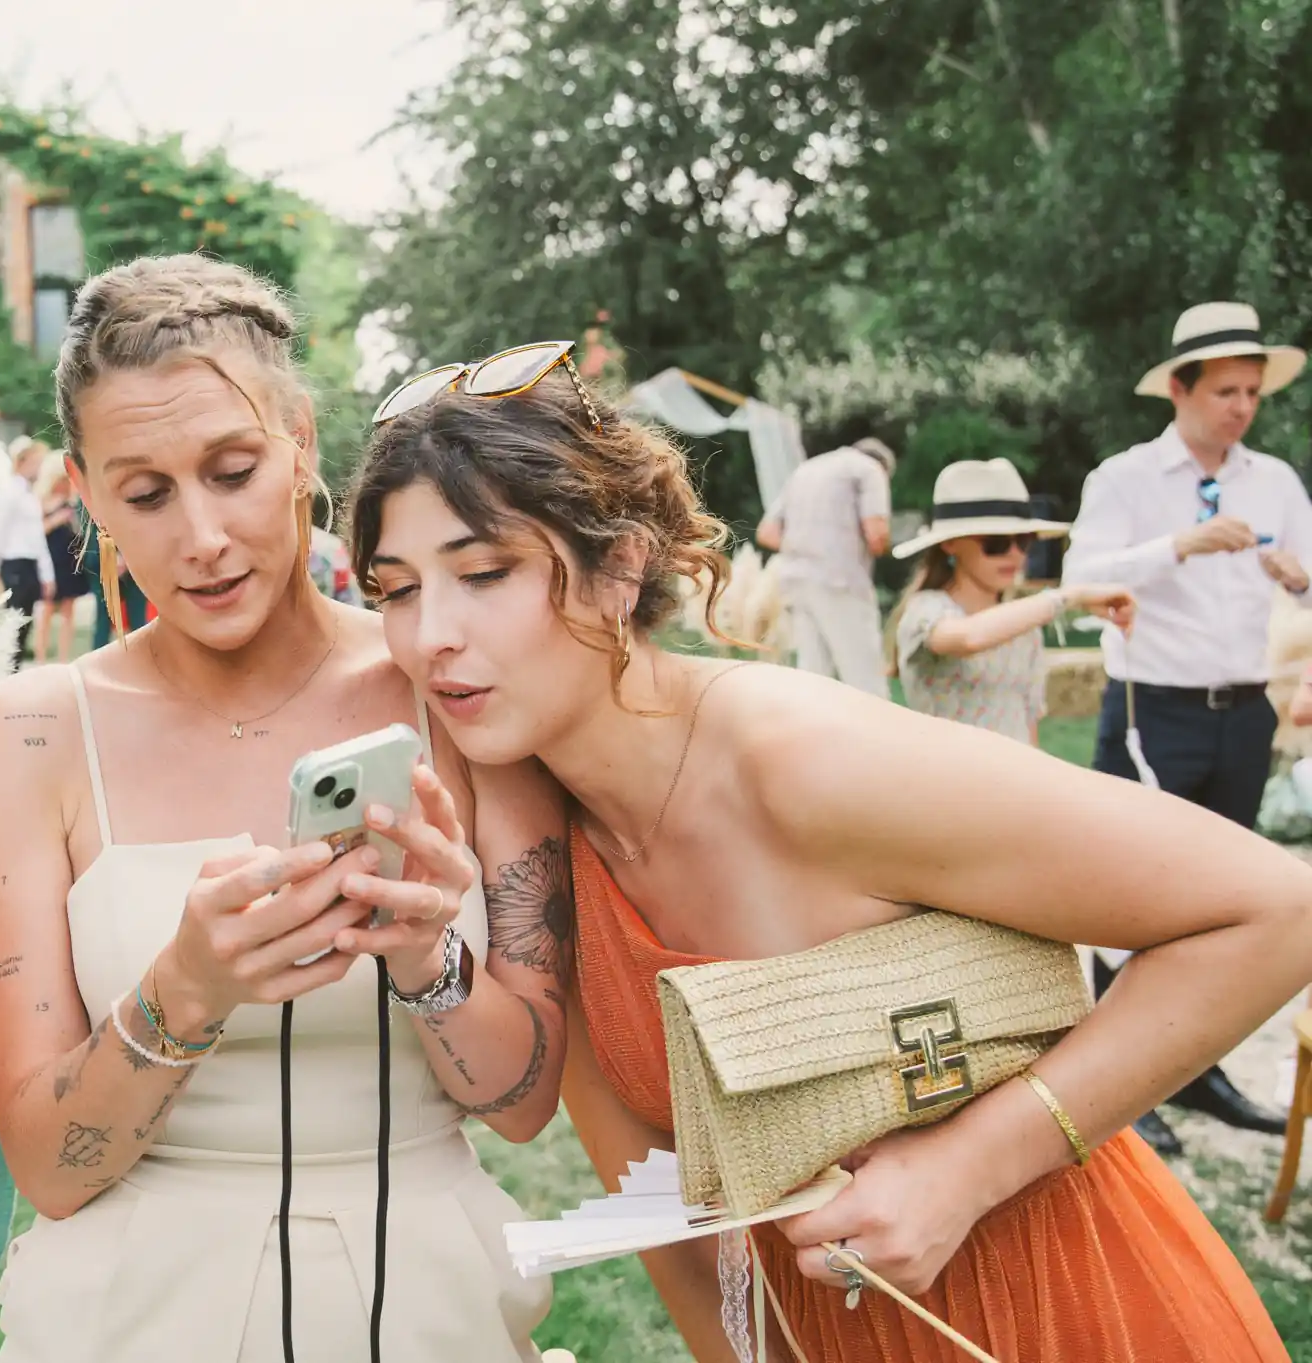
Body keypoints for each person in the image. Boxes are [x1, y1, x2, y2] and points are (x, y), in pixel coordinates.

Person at [348, 341, 1306, 1362]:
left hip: (1072, 1310)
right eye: (396, 590)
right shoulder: (550, 848)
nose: (429, 635)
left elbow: (1274, 909)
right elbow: (676, 1226)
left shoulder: (797, 759)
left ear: (620, 566)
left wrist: (967, 1167)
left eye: (483, 572)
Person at [0, 256, 567, 1363]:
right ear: (86, 493)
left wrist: (427, 958)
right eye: (145, 494)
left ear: (300, 446)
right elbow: (47, 1166)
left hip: (422, 1301)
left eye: (232, 470)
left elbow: (523, 1103)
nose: (201, 536)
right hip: (131, 1314)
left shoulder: (451, 683)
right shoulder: (26, 735)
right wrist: (183, 991)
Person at [1062, 300, 1310, 1154]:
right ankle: (1119, 1083)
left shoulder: (1275, 481)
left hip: (1244, 711)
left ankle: (1198, 1067)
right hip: (1153, 709)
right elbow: (1081, 580)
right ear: (1179, 388)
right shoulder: (1126, 478)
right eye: (1226, 391)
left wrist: (1299, 579)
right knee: (1129, 897)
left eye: (1253, 392)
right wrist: (1180, 544)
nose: (1242, 408)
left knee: (1221, 900)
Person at [889, 458, 1135, 743]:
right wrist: (1069, 596)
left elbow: (1029, 723)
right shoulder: (926, 609)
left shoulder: (1022, 624)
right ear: (950, 544)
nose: (1015, 555)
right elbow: (969, 638)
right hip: (947, 769)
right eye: (996, 543)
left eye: (1024, 541)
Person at [755, 436, 896, 697]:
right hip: (840, 581)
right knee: (865, 679)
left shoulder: (806, 470)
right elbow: (876, 535)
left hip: (796, 581)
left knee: (812, 679)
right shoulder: (869, 469)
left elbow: (767, 532)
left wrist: (805, 546)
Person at [0, 434, 57, 664]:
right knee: (14, 621)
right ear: (21, 462)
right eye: (35, 462)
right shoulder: (10, 492)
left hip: (30, 564)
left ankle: (14, 668)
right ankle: (7, 668)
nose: (39, 468)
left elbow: (37, 536)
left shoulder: (29, 494)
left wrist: (47, 574)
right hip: (14, 562)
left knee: (25, 621)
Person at [34, 448, 92, 662]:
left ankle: (63, 658)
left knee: (69, 610)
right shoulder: (41, 500)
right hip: (50, 560)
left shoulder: (73, 499)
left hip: (69, 558)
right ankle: (41, 658)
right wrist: (56, 518)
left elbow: (80, 530)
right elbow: (36, 531)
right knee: (47, 609)